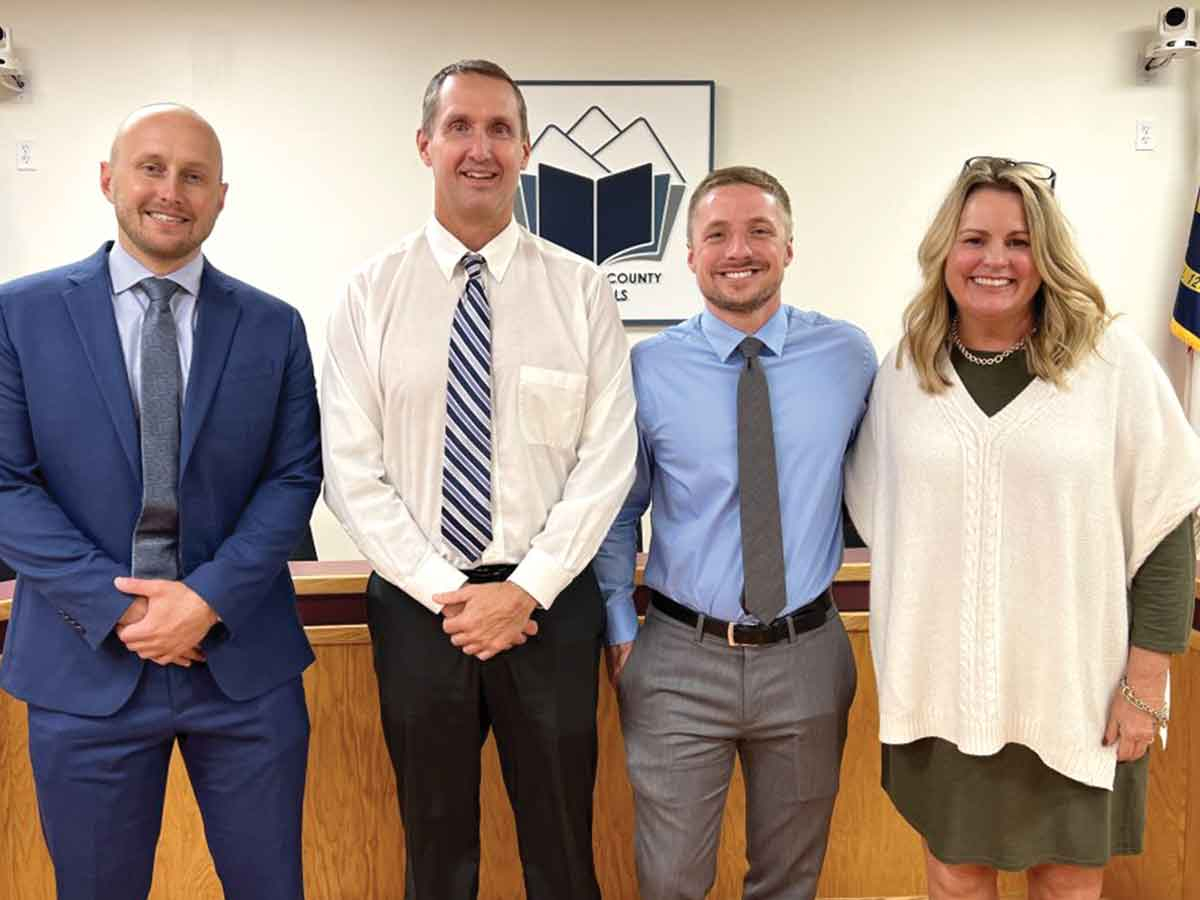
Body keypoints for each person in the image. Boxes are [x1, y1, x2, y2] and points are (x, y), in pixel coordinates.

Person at [320, 59, 636, 899]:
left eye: (500, 129)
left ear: (526, 149)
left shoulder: (582, 291)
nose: (479, 147)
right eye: (460, 127)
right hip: (422, 611)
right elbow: (351, 471)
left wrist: (525, 588)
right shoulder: (367, 295)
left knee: (566, 848)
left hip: (550, 607)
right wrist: (445, 592)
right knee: (436, 848)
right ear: (425, 144)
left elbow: (608, 460)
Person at [844, 156, 1200, 899]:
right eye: (974, 239)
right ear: (946, 251)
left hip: (1074, 689)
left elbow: (1166, 521)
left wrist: (1145, 684)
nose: (994, 260)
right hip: (946, 688)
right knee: (955, 877)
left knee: (1067, 883)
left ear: (1048, 253)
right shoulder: (908, 371)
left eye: (1018, 240)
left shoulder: (1112, 365)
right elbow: (879, 509)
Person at [0, 103, 322, 900]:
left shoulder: (273, 327)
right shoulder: (20, 313)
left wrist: (205, 601)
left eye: (193, 175)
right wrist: (126, 613)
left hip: (243, 667)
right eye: (151, 167)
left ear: (220, 196)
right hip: (85, 666)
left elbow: (293, 479)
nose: (170, 191)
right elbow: (6, 483)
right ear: (110, 179)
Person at [594, 166, 873, 900]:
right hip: (679, 659)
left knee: (788, 881)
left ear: (788, 247)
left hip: (807, 654)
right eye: (716, 234)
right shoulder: (648, 369)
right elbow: (620, 510)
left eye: (759, 231)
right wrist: (621, 628)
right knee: (670, 881)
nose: (738, 249)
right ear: (689, 255)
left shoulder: (848, 358)